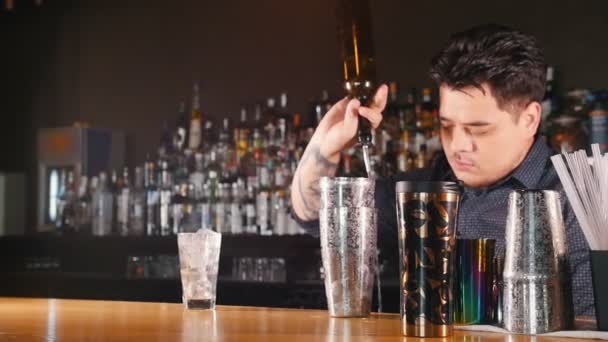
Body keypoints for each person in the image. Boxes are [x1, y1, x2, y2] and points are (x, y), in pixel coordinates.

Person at [290, 24, 594, 316]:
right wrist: (326, 145)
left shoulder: (580, 201)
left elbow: (590, 331)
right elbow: (319, 216)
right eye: (447, 126)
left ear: (529, 119)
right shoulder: (429, 187)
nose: (459, 145)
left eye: (479, 129)